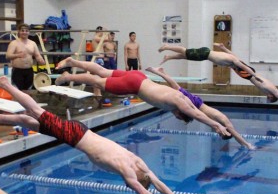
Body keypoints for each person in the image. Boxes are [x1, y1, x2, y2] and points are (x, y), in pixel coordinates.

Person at [0, 77, 197, 194]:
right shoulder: (129, 171)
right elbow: (147, 193)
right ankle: (6, 85)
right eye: (133, 185)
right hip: (76, 136)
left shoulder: (138, 163)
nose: (130, 185)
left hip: (79, 133)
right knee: (36, 112)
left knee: (36, 124)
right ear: (139, 179)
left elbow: (158, 184)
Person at [54, 57, 231, 139]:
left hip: (140, 77)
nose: (176, 116)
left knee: (101, 72)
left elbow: (194, 109)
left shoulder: (182, 97)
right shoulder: (178, 104)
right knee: (97, 81)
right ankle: (68, 76)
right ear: (180, 113)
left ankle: (73, 62)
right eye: (179, 116)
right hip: (134, 85)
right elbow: (197, 114)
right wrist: (216, 125)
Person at [146, 66, 255, 150]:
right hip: (197, 104)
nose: (219, 132)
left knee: (176, 89)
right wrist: (247, 144)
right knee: (176, 89)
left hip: (197, 104)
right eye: (222, 133)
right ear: (226, 131)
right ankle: (159, 72)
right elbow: (235, 134)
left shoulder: (220, 124)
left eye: (220, 134)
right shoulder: (224, 121)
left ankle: (161, 72)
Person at [212, 43, 278, 115]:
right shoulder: (272, 90)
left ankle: (223, 48)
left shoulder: (272, 91)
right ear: (273, 96)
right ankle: (215, 53)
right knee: (232, 62)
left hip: (249, 76)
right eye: (269, 98)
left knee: (235, 61)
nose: (267, 97)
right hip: (250, 75)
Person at [158, 44, 260, 82]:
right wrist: (255, 75)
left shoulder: (234, 63)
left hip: (205, 56)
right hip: (205, 53)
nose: (237, 71)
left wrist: (223, 47)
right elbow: (245, 68)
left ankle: (168, 57)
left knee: (186, 56)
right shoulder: (236, 62)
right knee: (185, 51)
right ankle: (167, 47)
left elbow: (231, 53)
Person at [6, 23, 45, 90]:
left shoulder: (33, 43)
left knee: (28, 91)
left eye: (26, 31)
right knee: (17, 91)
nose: (24, 32)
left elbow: (37, 55)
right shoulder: (14, 43)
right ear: (19, 31)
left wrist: (41, 60)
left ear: (29, 32)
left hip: (29, 71)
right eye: (22, 30)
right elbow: (8, 56)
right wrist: (18, 55)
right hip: (17, 71)